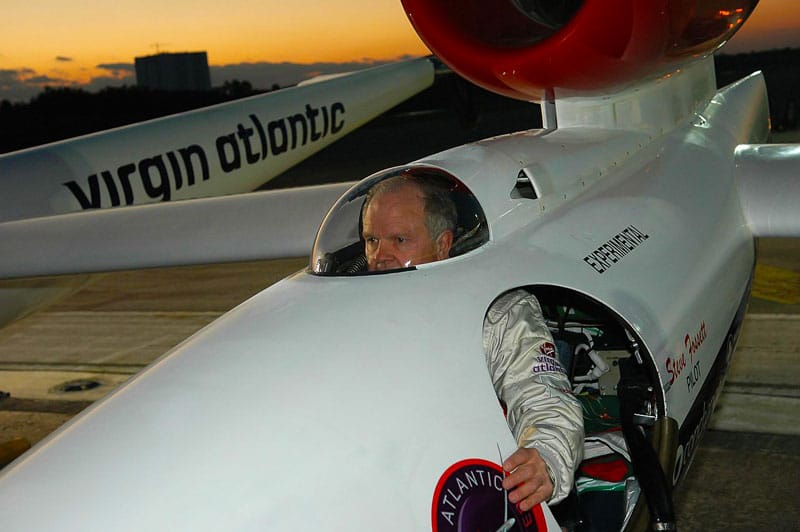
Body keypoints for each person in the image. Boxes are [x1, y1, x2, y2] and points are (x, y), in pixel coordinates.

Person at [361, 174, 584, 510]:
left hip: (459, 488)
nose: (380, 256)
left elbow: (544, 398)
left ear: (442, 243)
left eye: (399, 240)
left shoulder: (497, 311)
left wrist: (546, 457)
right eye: (371, 240)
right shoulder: (350, 312)